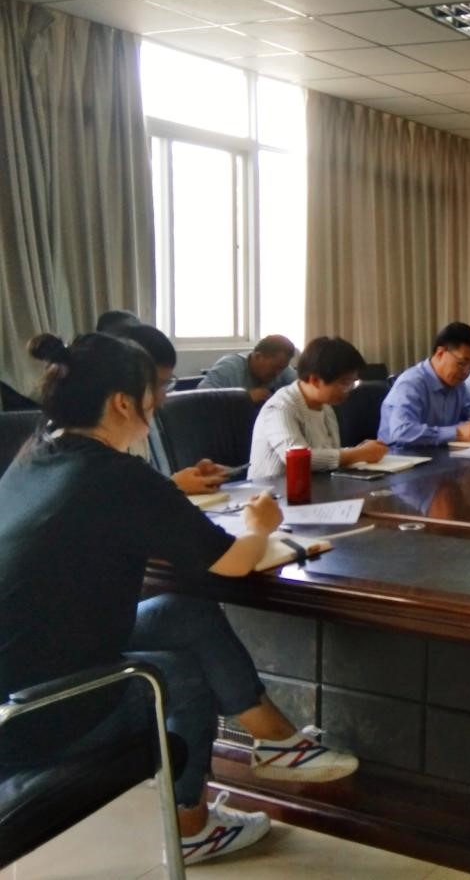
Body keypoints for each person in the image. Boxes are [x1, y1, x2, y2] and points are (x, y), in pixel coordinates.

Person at [0, 333, 359, 865]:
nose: (162, 402)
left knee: (182, 612)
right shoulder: (121, 477)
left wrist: (170, 486)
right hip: (37, 713)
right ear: (123, 403)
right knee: (180, 676)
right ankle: (192, 827)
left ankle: (277, 741)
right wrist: (260, 526)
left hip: (23, 673)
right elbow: (233, 562)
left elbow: (88, 510)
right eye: (157, 391)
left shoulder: (39, 451)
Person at [248, 336, 388, 480]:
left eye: (354, 382)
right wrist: (358, 454)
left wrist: (362, 450)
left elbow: (328, 455)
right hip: (272, 491)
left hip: (317, 487)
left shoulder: (326, 407)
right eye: (345, 383)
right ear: (314, 380)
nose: (349, 390)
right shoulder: (280, 407)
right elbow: (298, 458)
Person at [119, 323, 229, 494]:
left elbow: (144, 484)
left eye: (166, 384)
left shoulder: (142, 425)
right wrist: (172, 486)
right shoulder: (95, 445)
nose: (161, 398)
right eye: (155, 385)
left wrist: (192, 478)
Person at [378, 322, 470, 449]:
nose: (466, 372)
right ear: (440, 353)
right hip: (402, 456)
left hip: (439, 454)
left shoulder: (458, 386)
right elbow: (402, 432)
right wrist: (456, 432)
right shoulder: (411, 384)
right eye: (462, 363)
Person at [198, 335, 298, 404]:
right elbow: (200, 399)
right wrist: (244, 398)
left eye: (282, 368)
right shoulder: (229, 367)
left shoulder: (282, 369)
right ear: (258, 357)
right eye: (275, 367)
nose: (278, 373)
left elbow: (301, 388)